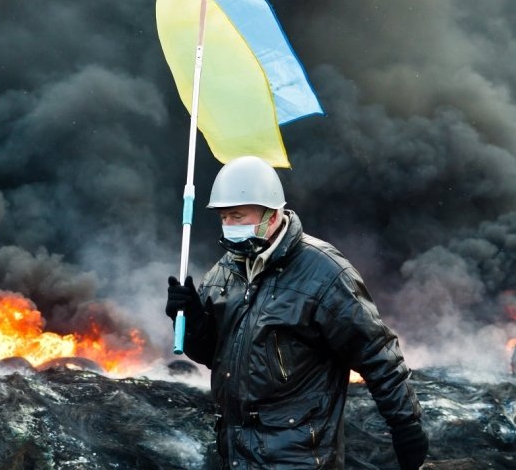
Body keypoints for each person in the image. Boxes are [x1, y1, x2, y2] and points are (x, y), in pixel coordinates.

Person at [166, 156, 429, 469]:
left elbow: (377, 355)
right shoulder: (225, 272)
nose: (229, 227)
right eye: (224, 218)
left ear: (273, 215)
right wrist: (193, 319)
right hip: (236, 457)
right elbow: (216, 356)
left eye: (238, 216)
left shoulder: (324, 273)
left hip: (298, 457)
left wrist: (406, 426)